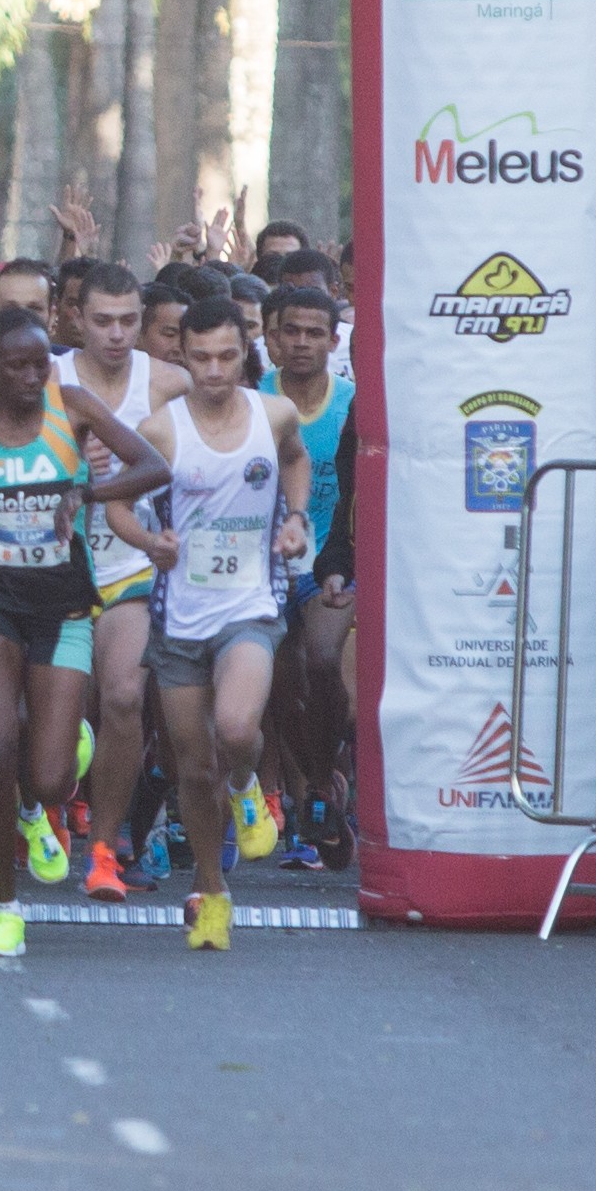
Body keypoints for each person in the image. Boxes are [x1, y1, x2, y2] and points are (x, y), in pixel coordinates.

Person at [0, 307, 167, 958]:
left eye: (39, 364)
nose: (30, 377)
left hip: (62, 604)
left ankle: (64, 749)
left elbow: (153, 465)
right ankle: (1, 898)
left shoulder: (71, 406)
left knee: (48, 779)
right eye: (16, 365)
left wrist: (91, 492)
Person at [119, 296, 313, 951]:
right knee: (191, 768)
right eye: (199, 357)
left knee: (235, 727)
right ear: (183, 356)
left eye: (227, 355)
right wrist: (150, 546)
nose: (213, 369)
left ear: (245, 354)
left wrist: (296, 517)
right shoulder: (161, 430)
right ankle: (210, 888)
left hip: (250, 606)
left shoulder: (274, 413)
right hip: (180, 618)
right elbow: (119, 503)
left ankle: (249, 785)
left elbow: (295, 460)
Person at [54, 260, 185, 901]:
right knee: (56, 724)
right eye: (102, 320)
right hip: (53, 573)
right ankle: (47, 809)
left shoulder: (169, 383)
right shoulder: (44, 379)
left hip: (132, 566)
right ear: (75, 317)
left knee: (125, 700)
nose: (116, 334)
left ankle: (104, 851)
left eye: (129, 320)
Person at [260, 283, 357, 867]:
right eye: (290, 331)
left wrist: (345, 560)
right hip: (261, 565)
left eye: (313, 332)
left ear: (333, 339)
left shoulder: (352, 402)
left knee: (320, 662)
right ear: (271, 338)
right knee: (277, 687)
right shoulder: (252, 400)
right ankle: (317, 795)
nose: (301, 343)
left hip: (330, 566)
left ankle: (323, 780)